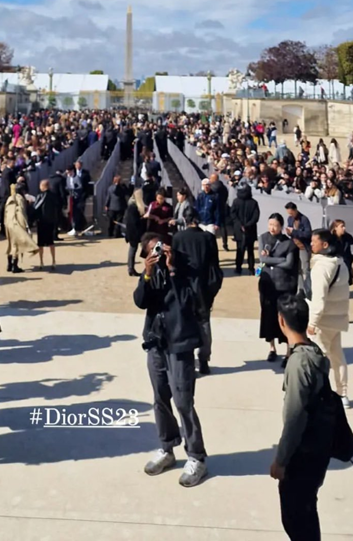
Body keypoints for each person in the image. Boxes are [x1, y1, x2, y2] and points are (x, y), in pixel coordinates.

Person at [134, 232, 208, 487]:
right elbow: (140, 301)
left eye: (158, 249)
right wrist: (146, 273)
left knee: (183, 401)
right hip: (156, 341)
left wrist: (173, 269)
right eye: (149, 252)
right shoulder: (150, 272)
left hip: (180, 342)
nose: (154, 254)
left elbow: (190, 302)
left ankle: (196, 456)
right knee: (159, 398)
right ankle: (167, 447)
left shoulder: (185, 269)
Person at [270, 293, 333, 541]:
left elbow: (294, 419)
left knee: (295, 517)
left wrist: (281, 460)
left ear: (281, 321)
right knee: (307, 510)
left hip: (303, 454)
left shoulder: (298, 364)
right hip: (319, 448)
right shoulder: (314, 351)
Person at [173, 208, 223, 375]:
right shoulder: (208, 238)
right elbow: (215, 266)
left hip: (183, 287)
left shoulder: (178, 238)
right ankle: (204, 359)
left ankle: (187, 357)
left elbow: (173, 265)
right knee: (204, 324)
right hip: (203, 287)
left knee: (184, 323)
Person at [307, 229, 350, 407]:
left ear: (324, 245)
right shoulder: (341, 263)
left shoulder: (322, 267)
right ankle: (343, 393)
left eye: (313, 242)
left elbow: (319, 299)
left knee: (317, 360)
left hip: (322, 322)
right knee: (337, 357)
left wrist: (312, 323)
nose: (311, 244)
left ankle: (318, 395)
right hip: (337, 319)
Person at [259, 214, 298, 364]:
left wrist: (272, 262)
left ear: (281, 226)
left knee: (285, 317)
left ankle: (288, 350)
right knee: (268, 315)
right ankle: (272, 348)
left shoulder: (289, 244)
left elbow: (289, 264)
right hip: (267, 283)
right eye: (270, 224)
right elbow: (262, 260)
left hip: (284, 284)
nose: (272, 228)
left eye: (275, 225)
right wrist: (277, 260)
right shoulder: (263, 238)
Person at [3, 184, 38, 273]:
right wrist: (25, 226)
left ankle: (9, 265)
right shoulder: (20, 199)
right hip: (16, 224)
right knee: (16, 246)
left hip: (8, 223)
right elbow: (22, 213)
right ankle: (15, 266)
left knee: (10, 244)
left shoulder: (10, 198)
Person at [230, 182, 260, 275]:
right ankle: (251, 268)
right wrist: (248, 225)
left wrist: (240, 225)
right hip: (250, 229)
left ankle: (238, 268)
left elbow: (233, 214)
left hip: (239, 229)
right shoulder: (254, 202)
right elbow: (256, 216)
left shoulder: (236, 201)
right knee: (250, 250)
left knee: (240, 249)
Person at [284, 203, 312, 295]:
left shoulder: (304, 219)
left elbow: (308, 234)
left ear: (295, 210)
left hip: (303, 247)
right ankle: (300, 289)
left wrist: (294, 232)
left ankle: (307, 289)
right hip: (294, 246)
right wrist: (289, 232)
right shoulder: (290, 219)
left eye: (291, 213)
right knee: (298, 269)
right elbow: (292, 233)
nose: (290, 215)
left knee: (305, 269)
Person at [34, 179, 59, 271]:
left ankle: (41, 262)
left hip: (41, 222)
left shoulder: (39, 196)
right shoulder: (53, 196)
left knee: (40, 243)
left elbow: (35, 209)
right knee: (51, 242)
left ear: (43, 186)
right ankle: (53, 261)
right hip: (50, 222)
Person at [124, 187, 146, 276]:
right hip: (134, 232)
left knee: (132, 250)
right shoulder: (133, 207)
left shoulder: (131, 205)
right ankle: (131, 268)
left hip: (131, 232)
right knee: (133, 250)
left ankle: (131, 268)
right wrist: (143, 218)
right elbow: (135, 222)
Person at [329, 219, 353, 285]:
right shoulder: (330, 238)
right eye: (342, 226)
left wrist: (350, 264)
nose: (344, 228)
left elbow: (348, 252)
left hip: (346, 262)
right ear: (335, 228)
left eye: (344, 226)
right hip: (335, 262)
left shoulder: (347, 237)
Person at [209, 173, 229, 251]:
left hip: (214, 210)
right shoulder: (224, 187)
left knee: (212, 227)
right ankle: (225, 244)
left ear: (214, 179)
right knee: (223, 227)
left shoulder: (212, 188)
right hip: (222, 208)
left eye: (211, 178)